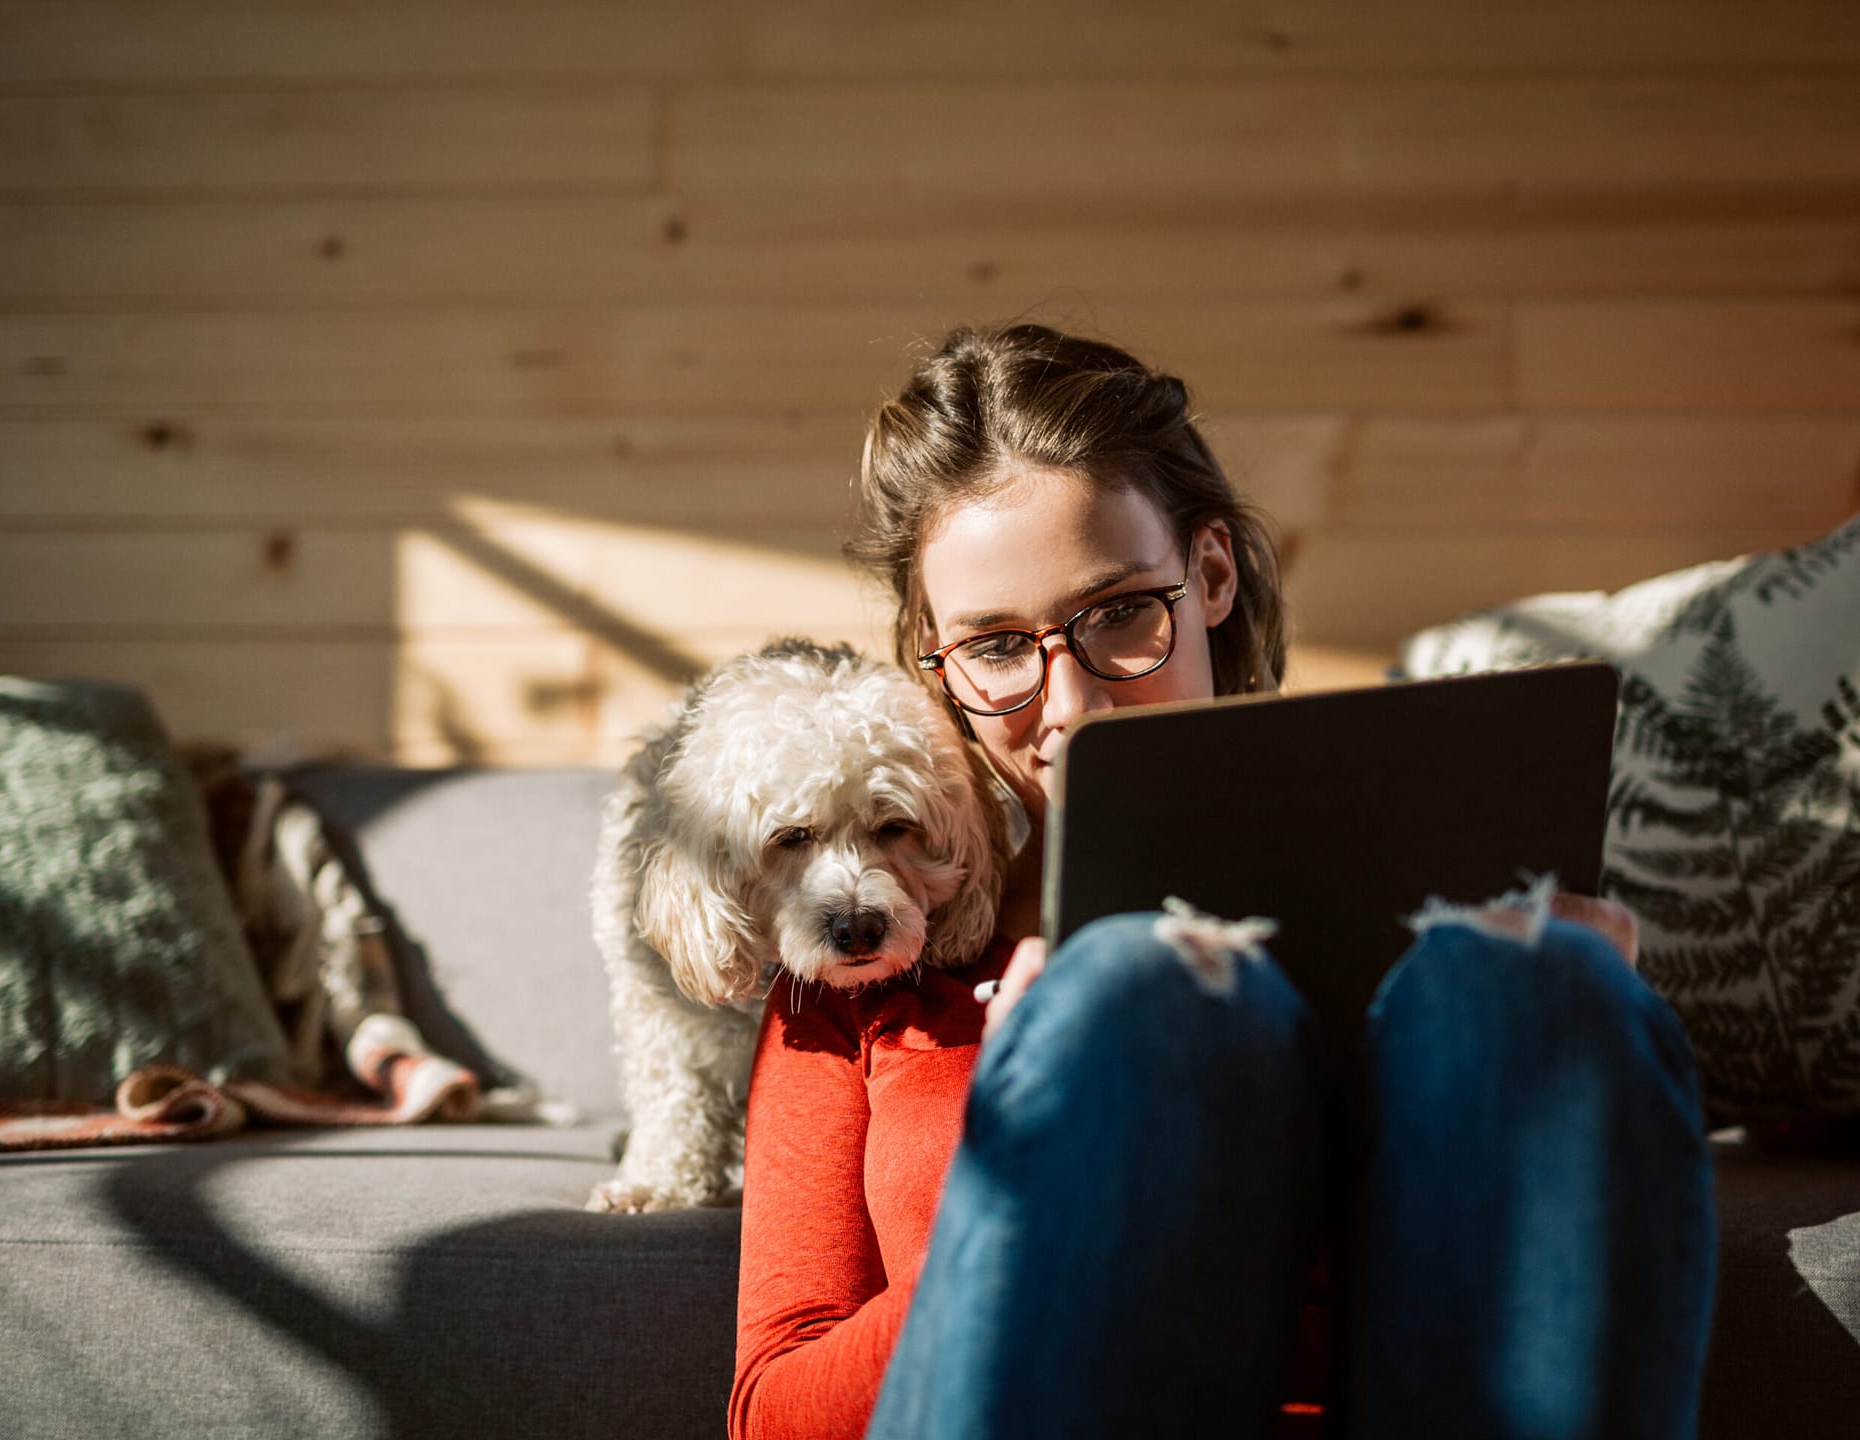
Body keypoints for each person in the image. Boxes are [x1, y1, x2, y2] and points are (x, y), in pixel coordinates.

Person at [727, 323, 1717, 1440]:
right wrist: (1034, 1169)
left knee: (1541, 991)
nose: (1071, 708)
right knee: (1141, 1000)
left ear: (1208, 575)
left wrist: (1580, 1034)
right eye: (997, 647)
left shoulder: (1438, 931)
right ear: (935, 662)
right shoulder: (859, 973)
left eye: (1116, 616)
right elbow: (771, 1411)